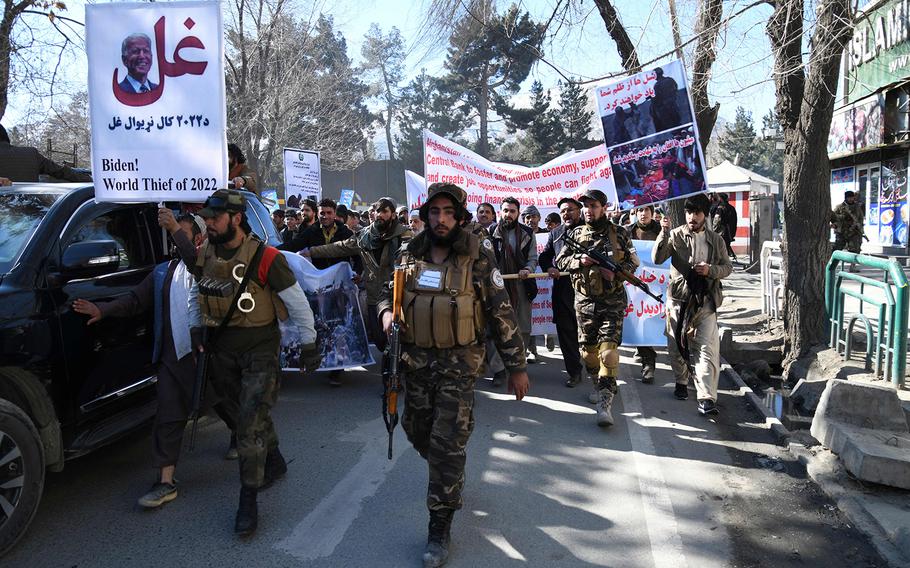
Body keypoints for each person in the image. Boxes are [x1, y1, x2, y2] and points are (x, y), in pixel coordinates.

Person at [378, 182, 529, 568]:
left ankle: (439, 523)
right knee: (416, 430)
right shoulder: (409, 253)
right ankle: (450, 474)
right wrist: (386, 313)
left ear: (460, 217)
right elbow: (384, 292)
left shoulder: (479, 258)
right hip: (416, 366)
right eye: (434, 212)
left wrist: (516, 367)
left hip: (459, 368)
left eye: (447, 213)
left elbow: (501, 313)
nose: (440, 219)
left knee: (446, 444)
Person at [195, 189, 321, 536]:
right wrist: (195, 329)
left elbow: (296, 303)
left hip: (260, 351)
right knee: (240, 416)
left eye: (214, 218)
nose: (207, 223)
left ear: (236, 218)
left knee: (249, 424)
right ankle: (275, 458)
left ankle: (248, 499)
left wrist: (309, 343)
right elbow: (196, 293)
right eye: (205, 218)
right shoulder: (204, 251)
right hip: (221, 352)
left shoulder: (266, 258)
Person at [72, 210, 204, 509]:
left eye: (180, 234)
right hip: (173, 357)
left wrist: (172, 226)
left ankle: (256, 447)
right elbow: (134, 300)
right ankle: (165, 481)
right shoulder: (161, 272)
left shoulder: (208, 265)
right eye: (172, 235)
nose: (174, 241)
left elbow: (194, 262)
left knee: (228, 405)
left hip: (207, 358)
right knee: (169, 414)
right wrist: (101, 310)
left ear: (198, 238)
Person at [555, 189, 640, 427]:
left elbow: (633, 264)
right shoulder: (576, 233)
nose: (588, 210)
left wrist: (615, 273)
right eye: (586, 206)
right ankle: (598, 382)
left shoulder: (620, 234)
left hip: (612, 302)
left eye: (593, 206)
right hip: (584, 303)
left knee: (608, 353)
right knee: (588, 354)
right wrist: (577, 261)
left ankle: (605, 402)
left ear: (603, 207)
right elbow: (559, 261)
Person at [653, 193, 732, 416]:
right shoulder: (676, 235)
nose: (692, 217)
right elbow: (658, 258)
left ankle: (707, 397)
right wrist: (663, 232)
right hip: (678, 301)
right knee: (676, 346)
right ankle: (681, 380)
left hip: (705, 302)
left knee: (706, 350)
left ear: (705, 215)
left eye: (697, 213)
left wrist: (711, 270)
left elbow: (727, 268)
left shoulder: (716, 240)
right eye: (689, 212)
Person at [304, 197, 411, 354]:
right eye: (377, 211)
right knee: (379, 339)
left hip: (398, 295)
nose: (380, 214)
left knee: (400, 339)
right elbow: (340, 247)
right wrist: (311, 252)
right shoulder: (364, 237)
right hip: (374, 296)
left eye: (385, 211)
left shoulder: (405, 236)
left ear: (393, 215)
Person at [538, 197, 585, 387]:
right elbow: (545, 256)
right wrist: (549, 267)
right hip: (563, 292)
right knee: (566, 335)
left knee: (589, 336)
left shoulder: (590, 230)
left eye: (570, 210)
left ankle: (598, 372)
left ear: (579, 211)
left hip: (586, 292)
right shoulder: (556, 233)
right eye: (563, 211)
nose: (566, 214)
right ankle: (574, 372)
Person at [490, 197, 539, 364]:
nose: (508, 214)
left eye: (512, 211)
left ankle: (518, 362)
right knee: (498, 326)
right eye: (505, 211)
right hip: (497, 286)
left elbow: (533, 258)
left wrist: (527, 270)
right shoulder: (491, 232)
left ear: (518, 213)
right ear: (500, 212)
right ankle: (499, 369)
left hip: (521, 286)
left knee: (523, 326)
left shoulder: (527, 233)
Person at [626, 205, 662, 384]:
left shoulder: (662, 231)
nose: (643, 213)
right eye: (639, 210)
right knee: (639, 319)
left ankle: (650, 359)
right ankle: (647, 361)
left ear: (652, 212)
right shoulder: (627, 232)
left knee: (653, 320)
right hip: (633, 284)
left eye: (646, 210)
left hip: (657, 285)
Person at [0, 124, 92, 182]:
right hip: (29, 210)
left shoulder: (31, 154)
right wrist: (91, 179)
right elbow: (61, 171)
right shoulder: (31, 154)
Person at [650, 67, 681, 132]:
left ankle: (677, 134)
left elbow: (658, 97)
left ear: (657, 73)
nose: (652, 76)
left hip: (665, 107)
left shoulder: (657, 85)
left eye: (653, 74)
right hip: (673, 104)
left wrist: (652, 98)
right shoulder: (670, 79)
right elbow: (676, 87)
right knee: (677, 120)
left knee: (671, 122)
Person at [711, 193, 738, 258]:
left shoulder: (720, 208)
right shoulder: (732, 208)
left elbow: (717, 220)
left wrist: (712, 231)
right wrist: (732, 234)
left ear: (721, 199)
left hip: (720, 232)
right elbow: (734, 221)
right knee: (725, 248)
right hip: (729, 233)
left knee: (718, 250)